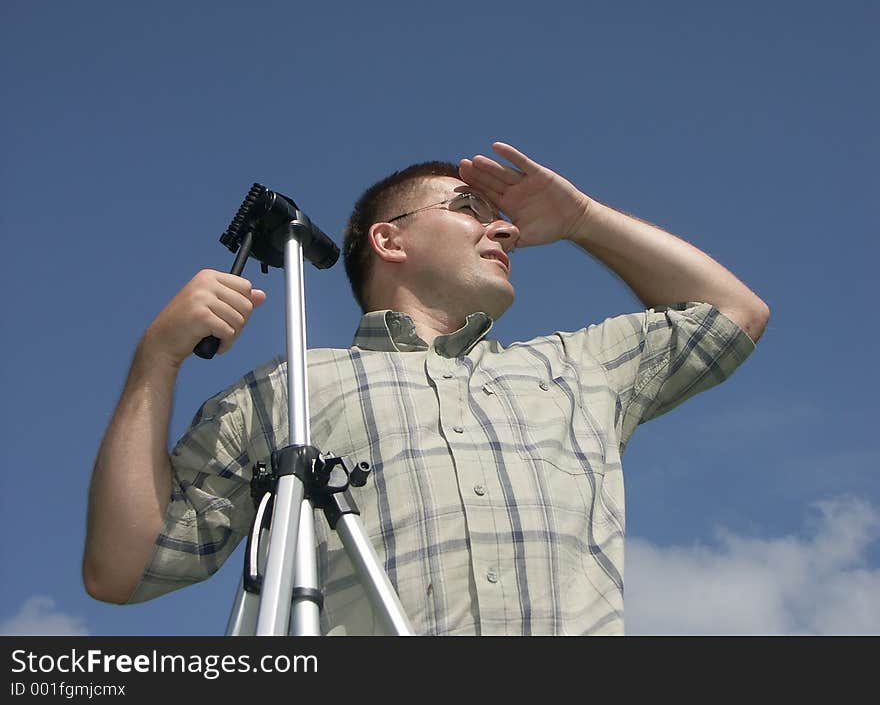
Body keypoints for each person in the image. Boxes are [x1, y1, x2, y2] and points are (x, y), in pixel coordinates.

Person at [83, 142, 769, 635]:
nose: (500, 225)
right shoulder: (286, 389)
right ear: (389, 240)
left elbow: (733, 314)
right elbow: (124, 569)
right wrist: (156, 361)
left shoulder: (575, 367)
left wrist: (583, 217)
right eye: (469, 207)